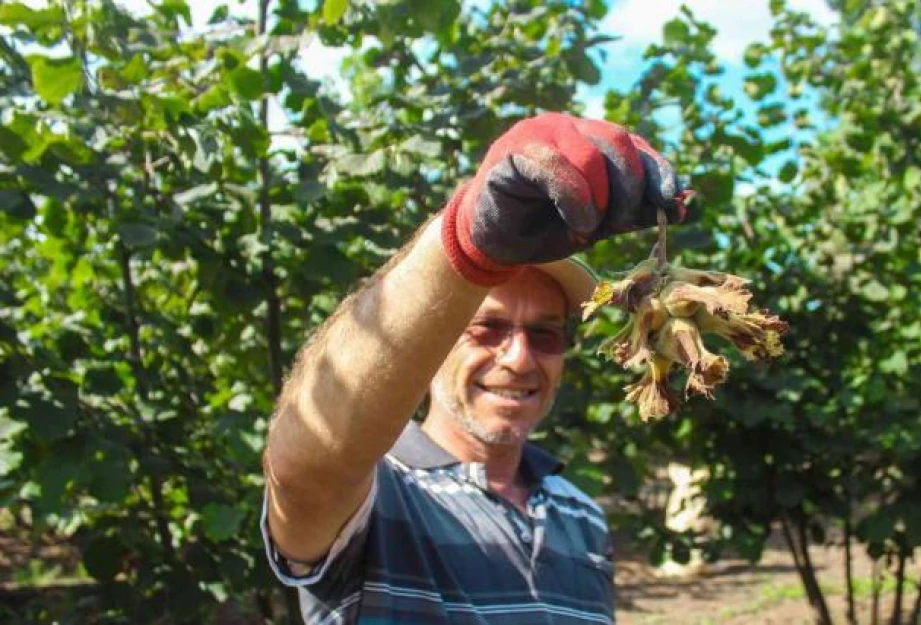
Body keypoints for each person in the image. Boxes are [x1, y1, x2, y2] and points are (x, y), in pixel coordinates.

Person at [261, 112, 686, 624]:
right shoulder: (376, 494)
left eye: (545, 333)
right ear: (434, 345)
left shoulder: (581, 517)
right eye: (487, 328)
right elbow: (304, 472)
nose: (519, 357)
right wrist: (464, 246)